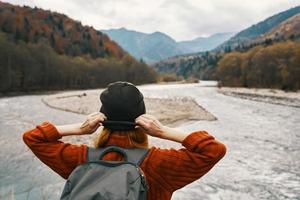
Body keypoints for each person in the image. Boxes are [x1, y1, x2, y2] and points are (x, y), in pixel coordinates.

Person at [23, 81, 226, 200]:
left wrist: (80, 128)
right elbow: (213, 150)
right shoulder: (158, 164)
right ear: (142, 120)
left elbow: (33, 138)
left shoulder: (81, 159)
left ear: (103, 119)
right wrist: (163, 131)